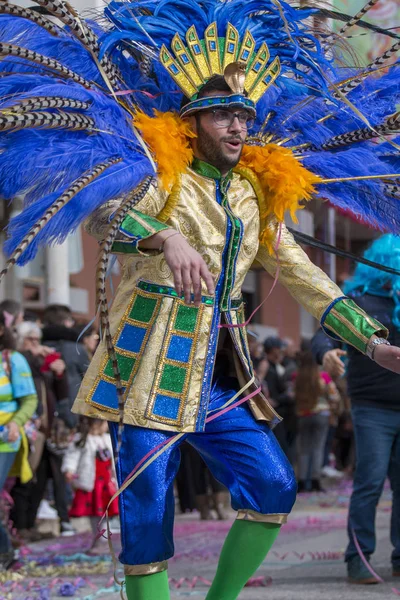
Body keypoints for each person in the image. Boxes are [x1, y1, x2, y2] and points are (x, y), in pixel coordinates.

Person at [3, 2, 400, 598]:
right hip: (146, 370)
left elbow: (304, 276)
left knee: (273, 486)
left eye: (243, 114)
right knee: (146, 517)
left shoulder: (252, 194)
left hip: (220, 376)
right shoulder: (162, 174)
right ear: (192, 122)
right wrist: (165, 236)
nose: (238, 126)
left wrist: (372, 343)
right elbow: (106, 217)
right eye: (222, 115)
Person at [312, 234, 400, 584]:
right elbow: (324, 332)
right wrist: (326, 353)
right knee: (370, 481)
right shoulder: (359, 302)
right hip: (372, 409)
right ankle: (358, 557)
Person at [10, 321, 74, 539]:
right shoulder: (18, 359)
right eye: (31, 340)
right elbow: (28, 366)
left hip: (46, 428)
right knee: (25, 478)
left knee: (41, 479)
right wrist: (44, 358)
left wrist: (59, 372)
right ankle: (20, 526)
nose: (35, 345)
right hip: (27, 427)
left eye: (37, 340)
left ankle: (29, 523)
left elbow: (60, 392)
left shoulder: (39, 362)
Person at [0, 312, 37, 567]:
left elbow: (30, 399)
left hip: (5, 441)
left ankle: (6, 554)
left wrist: (16, 422)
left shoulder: (12, 360)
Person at [62, 417, 118, 547]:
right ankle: (98, 534)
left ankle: (104, 534)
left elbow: (116, 456)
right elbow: (72, 455)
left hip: (106, 483)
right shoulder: (82, 439)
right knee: (94, 512)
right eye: (104, 423)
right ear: (95, 424)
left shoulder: (107, 439)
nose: (106, 426)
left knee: (106, 509)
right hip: (92, 483)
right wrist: (69, 469)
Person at [293, 351, 340, 493]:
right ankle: (315, 480)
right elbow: (335, 396)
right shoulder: (324, 377)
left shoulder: (297, 376)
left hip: (303, 414)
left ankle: (301, 481)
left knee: (303, 448)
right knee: (318, 447)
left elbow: (292, 394)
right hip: (321, 414)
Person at [42, 305, 90, 428]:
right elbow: (89, 379)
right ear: (66, 322)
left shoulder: (38, 347)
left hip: (44, 407)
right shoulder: (77, 349)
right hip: (71, 408)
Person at [263, 337, 297, 463]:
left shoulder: (273, 366)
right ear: (273, 350)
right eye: (279, 349)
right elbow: (271, 398)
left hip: (277, 414)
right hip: (274, 415)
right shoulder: (268, 368)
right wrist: (287, 396)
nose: (281, 352)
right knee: (281, 451)